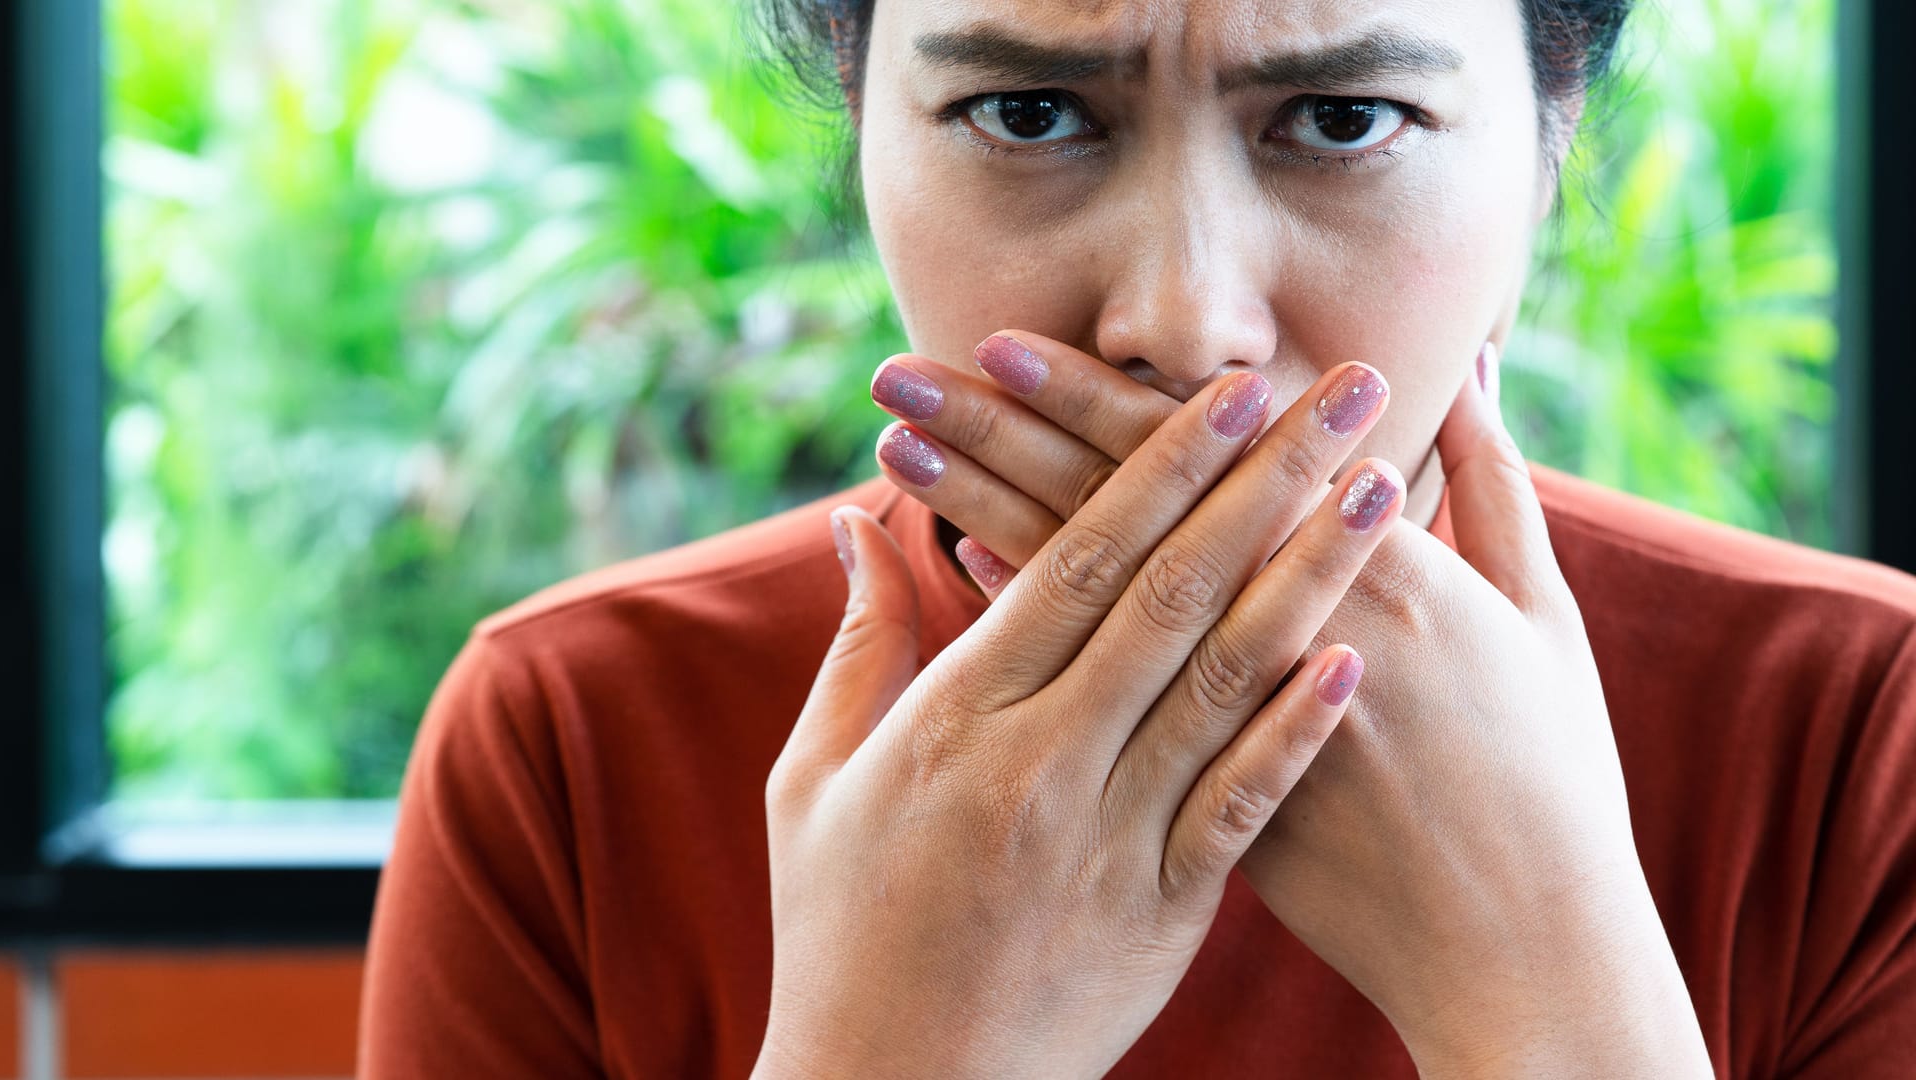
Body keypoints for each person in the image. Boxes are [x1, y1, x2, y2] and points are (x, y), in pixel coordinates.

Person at [358, 0, 1916, 1075]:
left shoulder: (1863, 734)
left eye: (1342, 116)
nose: (1184, 323)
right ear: (863, 126)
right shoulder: (570, 740)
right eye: (1029, 114)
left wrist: (1558, 995)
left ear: (1548, 135)